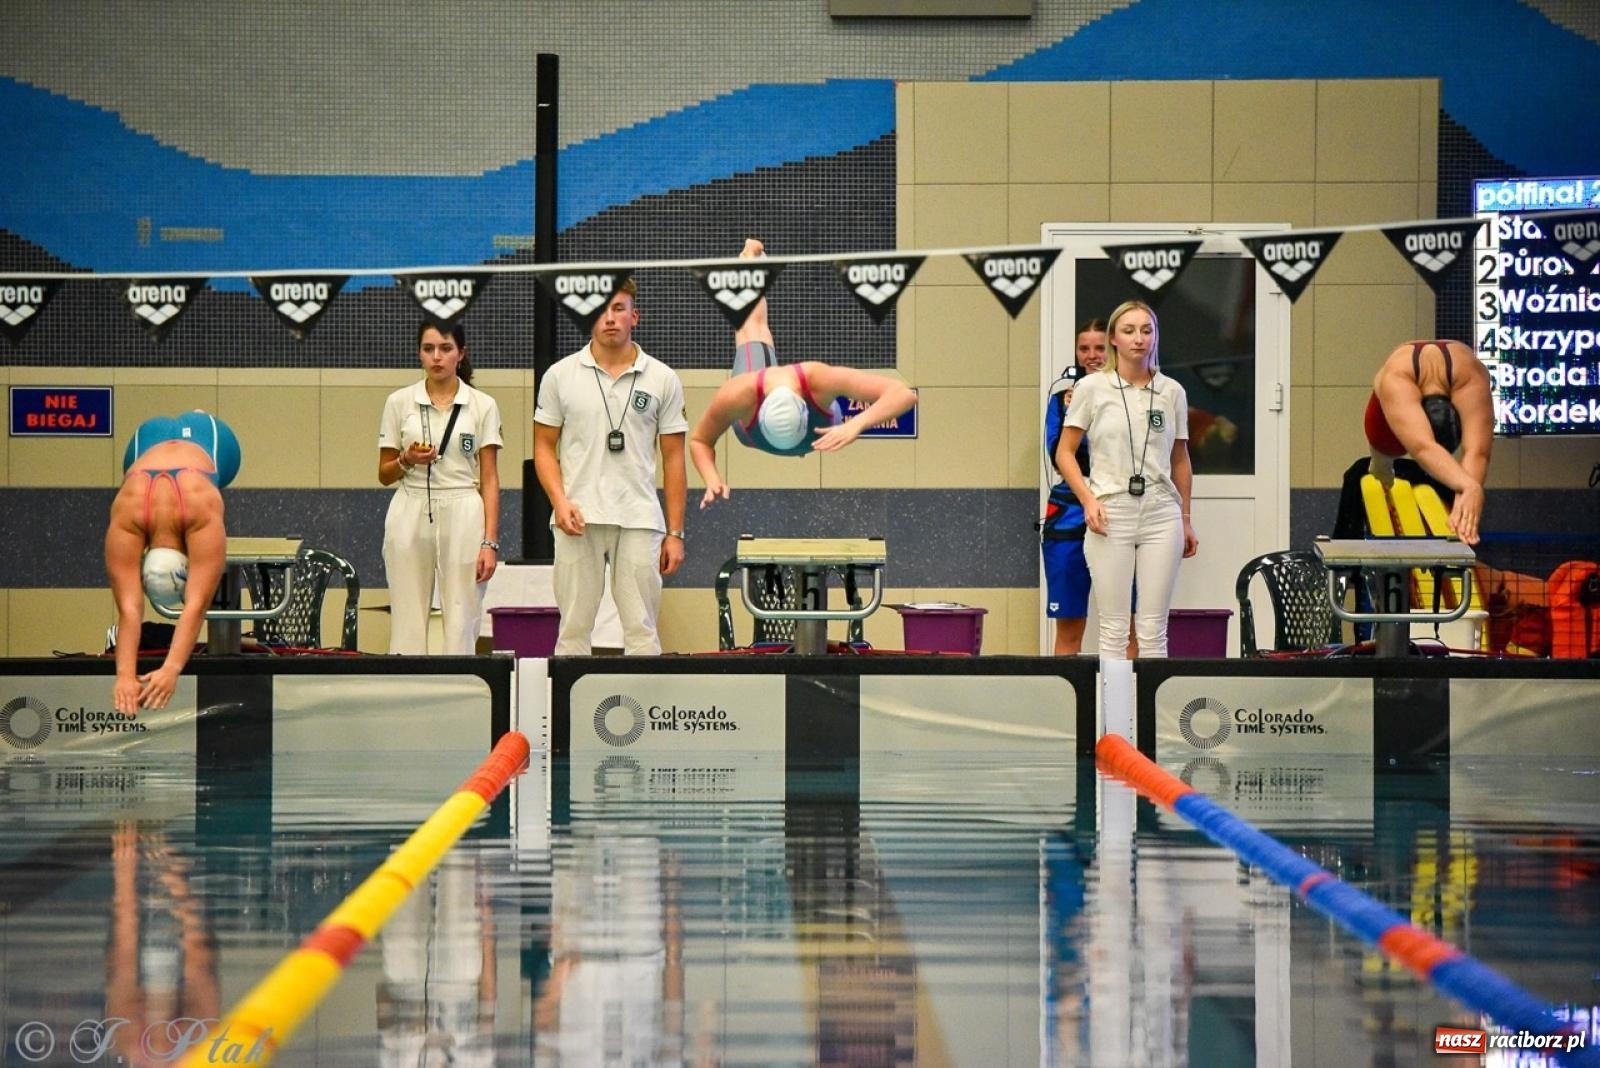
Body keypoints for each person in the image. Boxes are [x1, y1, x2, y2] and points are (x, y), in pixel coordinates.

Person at [689, 238, 918, 508]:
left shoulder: (817, 379)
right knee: (750, 326)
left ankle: (750, 262)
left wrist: (857, 424)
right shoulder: (739, 394)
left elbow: (903, 395)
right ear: (759, 411)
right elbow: (700, 440)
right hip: (752, 434)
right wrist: (711, 477)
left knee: (752, 326)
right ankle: (750, 260)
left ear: (805, 407)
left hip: (820, 426)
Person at [533, 277, 687, 655]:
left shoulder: (663, 378)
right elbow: (543, 447)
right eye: (601, 310)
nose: (610, 318)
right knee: (572, 631)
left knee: (641, 630)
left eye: (618, 308)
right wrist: (559, 501)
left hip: (638, 517)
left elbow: (674, 459)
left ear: (635, 316)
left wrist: (676, 532)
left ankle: (644, 712)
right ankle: (568, 714)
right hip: (576, 516)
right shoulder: (560, 375)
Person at [1054, 300, 1199, 659]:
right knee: (1114, 630)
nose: (1139, 339)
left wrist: (1186, 519)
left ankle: (1147, 715)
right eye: (1129, 331)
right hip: (1110, 512)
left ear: (1155, 337)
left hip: (1161, 512)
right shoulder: (1092, 388)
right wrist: (1089, 500)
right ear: (1114, 339)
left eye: (1146, 331)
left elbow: (1180, 459)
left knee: (1152, 631)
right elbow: (1064, 453)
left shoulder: (1172, 391)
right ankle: (1114, 716)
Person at [378, 321, 503, 655]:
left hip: (463, 506)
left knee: (462, 616)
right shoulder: (399, 402)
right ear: (420, 353)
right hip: (410, 505)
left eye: (445, 349)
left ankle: (462, 691)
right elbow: (384, 474)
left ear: (460, 354)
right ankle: (408, 693)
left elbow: (490, 478)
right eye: (428, 349)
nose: (437, 357)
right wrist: (406, 459)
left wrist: (489, 542)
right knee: (407, 615)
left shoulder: (482, 405)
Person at [105, 410, 239, 714]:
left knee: (219, 472)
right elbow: (194, 604)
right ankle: (195, 415)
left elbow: (133, 609)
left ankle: (197, 416)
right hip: (144, 445)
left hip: (211, 440)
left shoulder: (134, 514)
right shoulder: (131, 514)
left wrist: (154, 672)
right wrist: (132, 675)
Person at [1364, 339, 1493, 545]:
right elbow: (1422, 447)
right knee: (1386, 449)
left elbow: (1477, 452)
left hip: (1455, 365)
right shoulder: (1395, 381)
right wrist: (1469, 486)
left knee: (1462, 477)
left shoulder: (1472, 375)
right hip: (1399, 377)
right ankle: (1381, 466)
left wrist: (1467, 495)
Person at [1042, 319, 1107, 655]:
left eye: (1100, 348)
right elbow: (1057, 454)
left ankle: (1127, 705)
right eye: (1085, 348)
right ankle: (1065, 703)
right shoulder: (1061, 398)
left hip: (1120, 510)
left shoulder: (1139, 395)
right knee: (1068, 624)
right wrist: (1072, 413)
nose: (1092, 355)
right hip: (1068, 513)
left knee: (1130, 623)